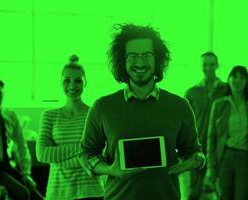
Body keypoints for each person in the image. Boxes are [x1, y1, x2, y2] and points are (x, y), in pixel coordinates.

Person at [78, 24, 205, 200]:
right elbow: (86, 154)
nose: (139, 62)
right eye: (132, 56)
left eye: (147, 55)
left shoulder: (180, 105)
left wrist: (194, 161)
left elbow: (195, 152)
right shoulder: (103, 107)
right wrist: (110, 170)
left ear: (158, 59)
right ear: (122, 60)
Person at [36, 55, 104, 200]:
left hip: (91, 192)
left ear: (85, 82)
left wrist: (59, 158)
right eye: (67, 80)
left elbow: (100, 152)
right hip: (58, 193)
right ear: (61, 82)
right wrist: (83, 150)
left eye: (78, 80)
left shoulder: (94, 113)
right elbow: (42, 154)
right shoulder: (49, 115)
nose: (72, 86)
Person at [206, 66, 248, 200]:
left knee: (243, 196)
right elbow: (212, 137)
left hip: (246, 157)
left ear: (247, 81)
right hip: (224, 157)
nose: (238, 80)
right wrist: (211, 166)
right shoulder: (219, 104)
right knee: (224, 196)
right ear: (228, 79)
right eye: (235, 76)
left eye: (242, 77)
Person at [0, 78, 43, 200]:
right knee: (23, 194)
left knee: (35, 194)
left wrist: (26, 172)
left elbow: (21, 145)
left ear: (4, 94)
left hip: (5, 164)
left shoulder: (11, 115)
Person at [183, 52, 227, 199]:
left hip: (220, 149)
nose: (208, 68)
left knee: (223, 193)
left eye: (212, 64)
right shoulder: (192, 92)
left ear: (217, 65)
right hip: (197, 148)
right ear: (201, 66)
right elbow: (183, 121)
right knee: (192, 193)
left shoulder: (227, 90)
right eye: (205, 64)